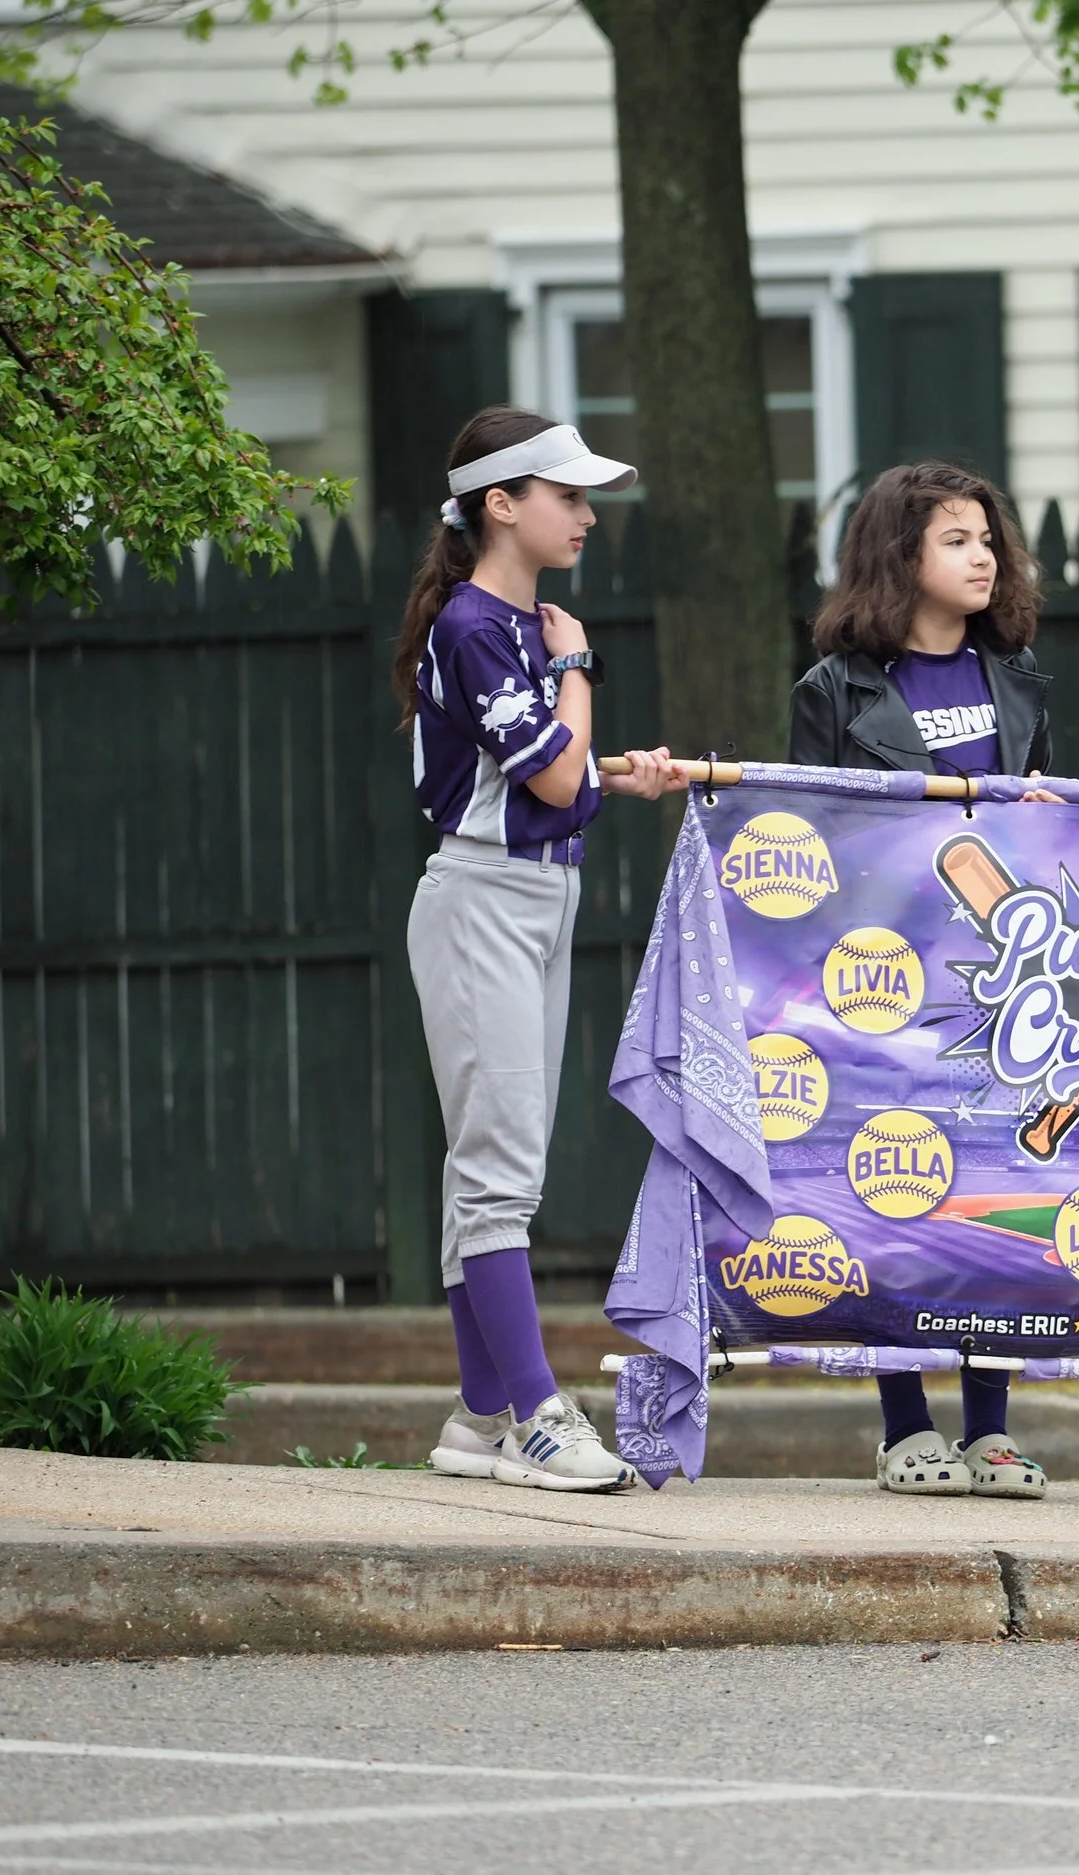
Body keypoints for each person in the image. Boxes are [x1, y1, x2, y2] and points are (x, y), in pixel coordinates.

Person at [398, 405, 685, 1492]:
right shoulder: (481, 624)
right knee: (499, 1171)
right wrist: (582, 668)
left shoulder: (517, 626)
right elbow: (553, 774)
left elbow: (551, 774)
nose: (587, 514)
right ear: (500, 504)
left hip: (531, 894)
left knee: (494, 1161)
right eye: (568, 495)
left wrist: (616, 772)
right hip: (484, 898)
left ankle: (480, 1417)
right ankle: (535, 1416)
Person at [789, 460, 1056, 1500]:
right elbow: (808, 847)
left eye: (987, 538)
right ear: (899, 557)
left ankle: (990, 1430)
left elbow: (1055, 840)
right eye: (956, 539)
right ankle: (904, 1426)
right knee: (889, 1196)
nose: (983, 555)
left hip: (1004, 986)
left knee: (999, 1197)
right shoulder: (834, 691)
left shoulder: (1020, 677)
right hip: (881, 987)